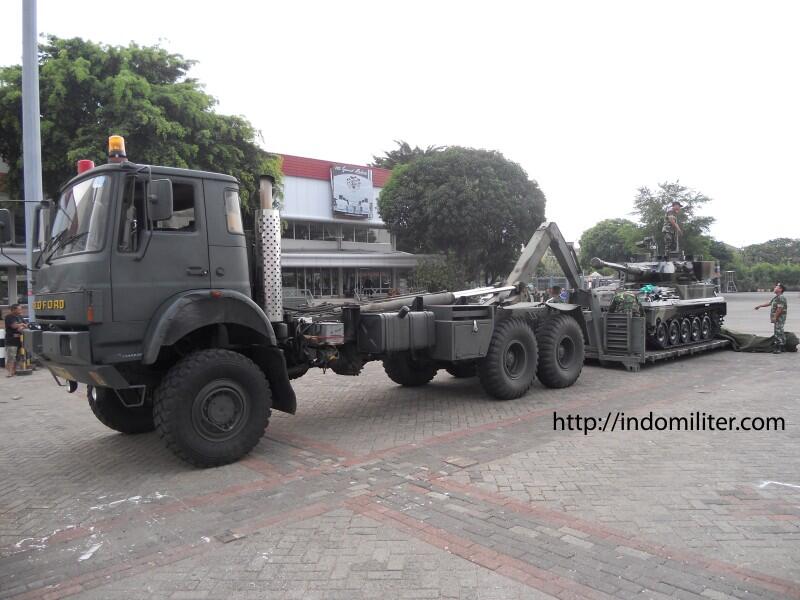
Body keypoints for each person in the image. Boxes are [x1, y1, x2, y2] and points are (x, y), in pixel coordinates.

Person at [754, 283, 788, 353]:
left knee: (778, 331)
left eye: (776, 287)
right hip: (778, 318)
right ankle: (783, 346)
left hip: (779, 318)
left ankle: (779, 347)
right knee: (779, 331)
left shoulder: (781, 297)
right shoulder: (776, 297)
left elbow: (779, 309)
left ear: (780, 289)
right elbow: (769, 303)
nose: (774, 288)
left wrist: (775, 317)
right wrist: (760, 306)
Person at [4, 304, 27, 377]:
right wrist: (22, 324)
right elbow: (13, 326)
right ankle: (9, 372)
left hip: (19, 340)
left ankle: (14, 370)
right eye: (19, 309)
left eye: (21, 309)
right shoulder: (9, 317)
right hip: (11, 341)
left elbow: (26, 325)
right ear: (14, 310)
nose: (21, 310)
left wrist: (22, 325)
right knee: (11, 357)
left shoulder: (20, 317)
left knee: (18, 357)